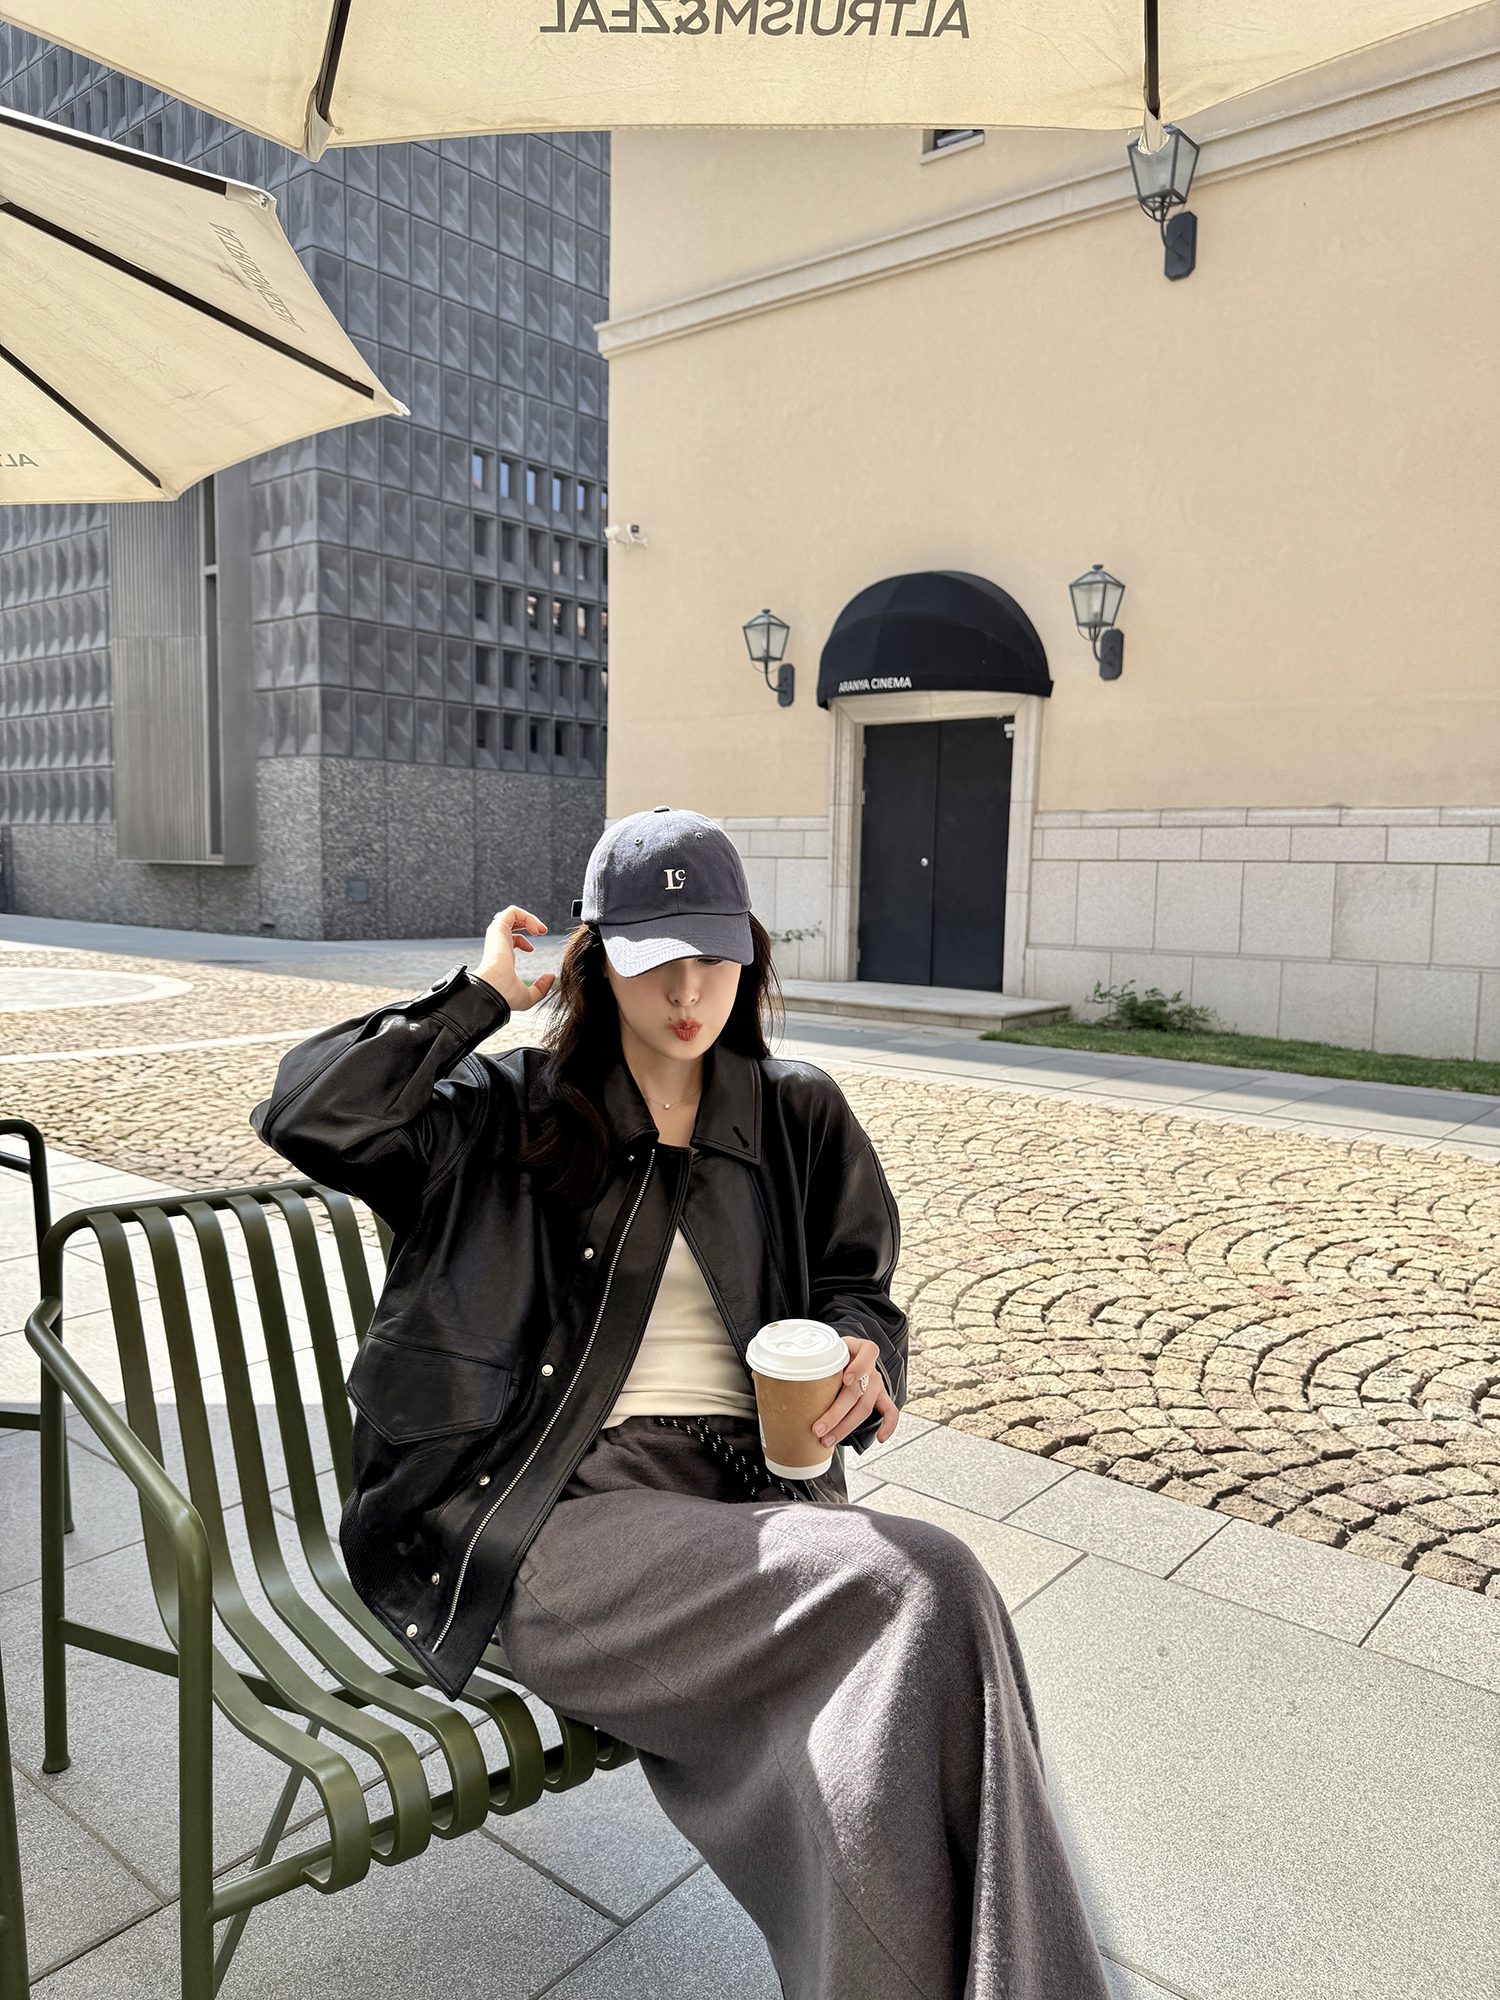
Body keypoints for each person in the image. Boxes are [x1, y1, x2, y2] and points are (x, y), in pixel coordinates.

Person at [252, 807, 1110, 2000]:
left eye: (714, 953)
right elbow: (310, 1112)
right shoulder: (504, 1111)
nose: (689, 989)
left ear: (748, 952)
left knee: (921, 1644)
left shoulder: (797, 1114)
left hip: (741, 1501)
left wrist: (863, 1353)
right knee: (916, 1583)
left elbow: (858, 1288)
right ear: (597, 960)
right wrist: (479, 996)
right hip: (546, 1515)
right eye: (656, 958)